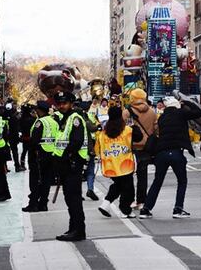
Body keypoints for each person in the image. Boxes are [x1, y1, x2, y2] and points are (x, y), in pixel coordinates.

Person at [139, 96, 201, 219]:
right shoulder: (181, 113)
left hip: (161, 153)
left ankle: (146, 209)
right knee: (182, 181)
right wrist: (188, 103)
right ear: (177, 106)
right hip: (176, 151)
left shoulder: (162, 117)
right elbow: (198, 112)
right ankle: (178, 209)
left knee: (157, 181)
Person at [51, 91, 88, 241]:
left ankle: (78, 230)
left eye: (64, 103)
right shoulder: (65, 119)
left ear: (71, 103)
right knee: (69, 198)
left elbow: (76, 142)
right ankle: (73, 227)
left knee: (74, 198)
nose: (61, 106)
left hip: (73, 163)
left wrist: (66, 157)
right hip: (65, 165)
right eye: (59, 103)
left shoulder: (75, 119)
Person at [95, 105, 140, 219]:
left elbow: (98, 148)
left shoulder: (103, 133)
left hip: (110, 165)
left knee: (118, 185)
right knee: (128, 189)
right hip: (125, 164)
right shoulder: (127, 130)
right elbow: (138, 138)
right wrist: (136, 126)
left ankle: (105, 204)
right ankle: (124, 210)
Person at [123, 88, 158, 210]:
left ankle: (130, 199)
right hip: (146, 147)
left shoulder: (127, 112)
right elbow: (156, 129)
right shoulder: (152, 112)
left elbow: (123, 129)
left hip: (131, 147)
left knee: (128, 175)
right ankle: (141, 200)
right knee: (142, 176)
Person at [22, 101, 56, 213]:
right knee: (46, 180)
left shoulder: (40, 122)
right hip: (51, 154)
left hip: (39, 154)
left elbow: (35, 140)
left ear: (39, 110)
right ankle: (43, 204)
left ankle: (33, 204)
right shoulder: (53, 121)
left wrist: (31, 149)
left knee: (35, 180)